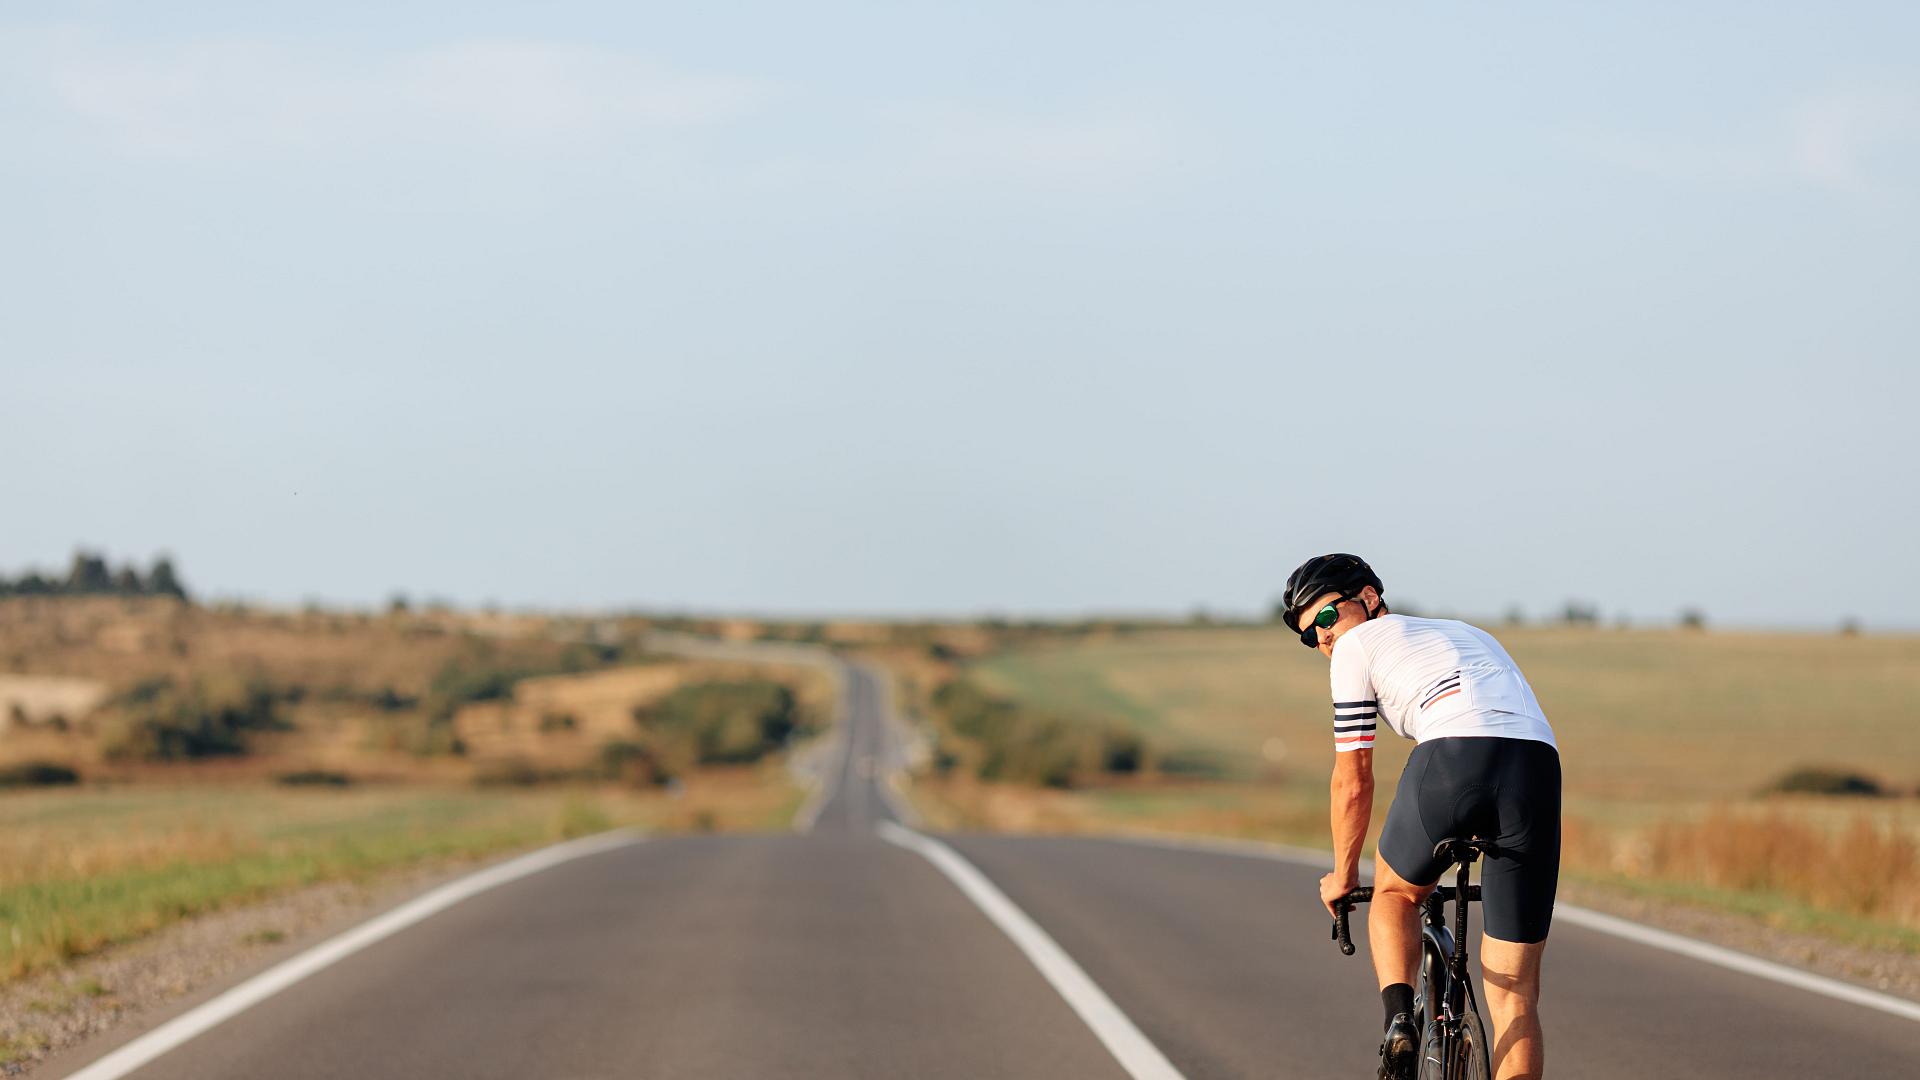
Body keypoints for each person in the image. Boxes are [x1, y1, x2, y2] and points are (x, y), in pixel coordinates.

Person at [1281, 554, 1560, 1080]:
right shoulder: (1466, 632)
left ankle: (1398, 1026)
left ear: (1368, 598)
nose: (1322, 640)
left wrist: (1344, 876)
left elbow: (1353, 777)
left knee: (1393, 894)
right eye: (1307, 636)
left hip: (1453, 756)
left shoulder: (1356, 646)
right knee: (1516, 998)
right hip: (1536, 766)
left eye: (1324, 619)